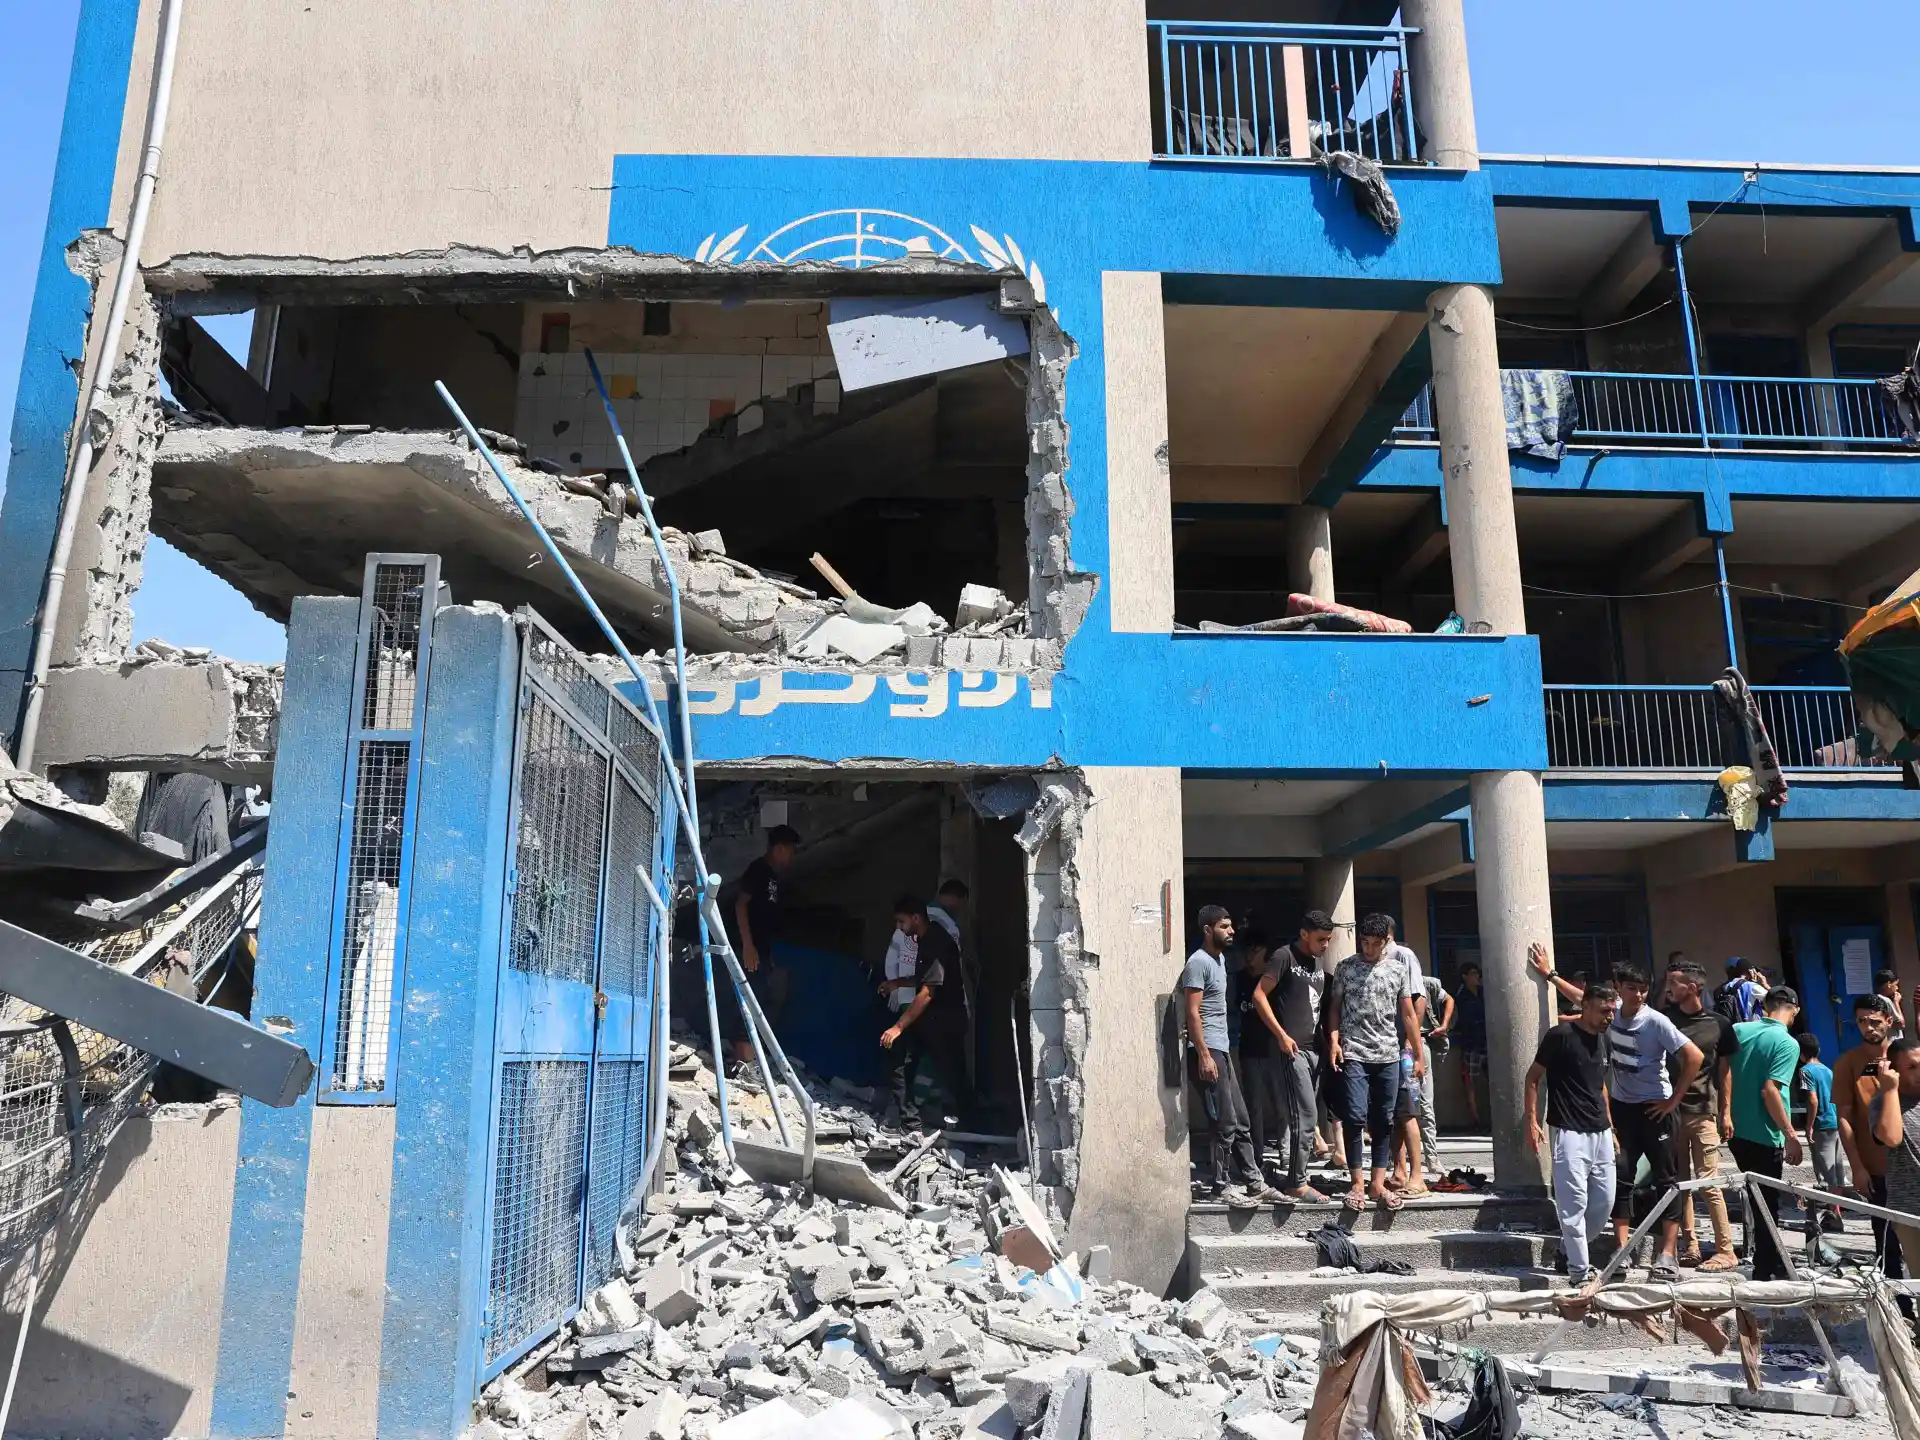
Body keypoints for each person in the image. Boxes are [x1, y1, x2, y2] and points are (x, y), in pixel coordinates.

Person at [1530, 949, 1702, 1280]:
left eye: (1644, 989)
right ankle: (1621, 1250)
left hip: (1656, 1108)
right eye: (1631, 988)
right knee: (1621, 1179)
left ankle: (1667, 1254)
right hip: (1621, 1109)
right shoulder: (1610, 1012)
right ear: (1617, 988)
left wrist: (1673, 1101)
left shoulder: (1656, 1021)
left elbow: (1694, 1056)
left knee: (1667, 1180)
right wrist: (1550, 975)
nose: (1638, 995)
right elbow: (1581, 998)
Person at [1183, 906, 1279, 1208]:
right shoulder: (1198, 962)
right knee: (1224, 1122)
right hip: (1207, 1050)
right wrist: (1203, 1055)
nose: (1232, 931)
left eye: (1231, 925)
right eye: (1224, 926)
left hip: (1221, 1048)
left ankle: (1254, 1183)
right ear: (1207, 930)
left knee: (1240, 1120)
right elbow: (1192, 1012)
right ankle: (1220, 1187)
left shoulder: (1220, 960)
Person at [1525, 982, 1619, 1289]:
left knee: (1604, 1203)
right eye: (1604, 1011)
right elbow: (1533, 1077)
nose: (1609, 1017)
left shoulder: (1605, 1039)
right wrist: (1532, 1121)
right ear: (1586, 1006)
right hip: (1568, 1131)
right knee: (1573, 1205)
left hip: (1601, 1131)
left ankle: (1566, 1251)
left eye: (1612, 1011)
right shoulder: (1560, 1036)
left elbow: (1600, 1085)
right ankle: (1579, 1273)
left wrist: (1611, 1127)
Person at [1328, 913, 1422, 1212]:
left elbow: (1408, 1014)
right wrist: (1334, 1041)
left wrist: (1418, 1055)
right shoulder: (1346, 967)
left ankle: (1377, 1183)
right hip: (1354, 1052)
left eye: (1375, 944)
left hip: (1388, 1055)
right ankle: (1357, 1183)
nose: (1368, 949)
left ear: (1386, 942)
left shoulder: (1397, 969)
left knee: (1384, 1120)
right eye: (1364, 942)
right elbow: (1334, 1007)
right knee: (1355, 1117)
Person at [1659, 959, 1742, 1271]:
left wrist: (1726, 1112)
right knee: (1680, 1183)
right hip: (1670, 1113)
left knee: (1709, 1182)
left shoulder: (1719, 1023)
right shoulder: (1663, 1020)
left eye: (1674, 983)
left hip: (1703, 1112)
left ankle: (1725, 1250)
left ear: (1692, 988)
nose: (1668, 988)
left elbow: (1725, 1072)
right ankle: (1690, 1245)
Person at [1246, 911, 1335, 1200]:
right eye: (1320, 939)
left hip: (1314, 1051)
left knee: (1310, 1117)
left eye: (1328, 940)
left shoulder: (1317, 963)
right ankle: (1296, 1182)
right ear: (1304, 934)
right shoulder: (1284, 957)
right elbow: (1259, 996)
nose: (1325, 945)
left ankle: (1299, 1176)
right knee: (1305, 1117)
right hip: (1290, 1050)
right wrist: (1281, 1035)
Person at [1727, 986, 1804, 1281]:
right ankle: (1765, 1267)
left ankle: (1772, 1262)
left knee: (1758, 1199)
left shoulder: (1738, 1030)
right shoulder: (1787, 1042)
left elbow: (1723, 1072)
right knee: (1767, 1204)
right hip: (1766, 1133)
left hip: (1737, 1130)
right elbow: (1771, 1090)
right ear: (1794, 1009)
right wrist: (1791, 1135)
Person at [880, 895, 973, 1133]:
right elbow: (925, 979)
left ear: (916, 918)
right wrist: (897, 983)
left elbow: (928, 992)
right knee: (902, 1062)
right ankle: (911, 1123)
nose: (899, 928)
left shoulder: (936, 942)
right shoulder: (925, 938)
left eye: (901, 922)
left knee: (951, 1075)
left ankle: (968, 1130)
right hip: (933, 1019)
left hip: (944, 1021)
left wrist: (898, 1027)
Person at [1835, 994, 1906, 1282]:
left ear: (1888, 1021)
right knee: (1887, 1243)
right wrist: (1857, 1166)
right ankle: (1897, 1302)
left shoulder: (1907, 1058)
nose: (1869, 1027)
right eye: (1862, 1021)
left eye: (1875, 1021)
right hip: (1877, 1168)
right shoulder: (1848, 1063)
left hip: (1912, 1165)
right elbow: (1844, 1117)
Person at [725, 824, 799, 1067]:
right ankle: (743, 1060)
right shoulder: (758, 870)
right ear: (779, 849)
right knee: (750, 997)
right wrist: (748, 945)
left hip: (763, 949)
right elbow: (741, 905)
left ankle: (747, 1058)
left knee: (760, 998)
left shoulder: (773, 877)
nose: (792, 856)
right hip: (751, 949)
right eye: (791, 850)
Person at [1869, 1036, 1920, 1275]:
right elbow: (1891, 1137)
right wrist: (1890, 1090)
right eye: (1912, 1067)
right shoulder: (1883, 1102)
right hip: (1911, 1207)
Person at [1798, 1032, 1843, 1239]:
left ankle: (1834, 1216)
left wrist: (1809, 1126)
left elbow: (1813, 1100)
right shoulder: (1827, 1070)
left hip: (1822, 1124)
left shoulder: (1805, 1071)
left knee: (1825, 1173)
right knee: (1836, 1171)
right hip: (1835, 1122)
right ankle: (1836, 1213)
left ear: (1800, 1053)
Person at [1454, 961, 1489, 1129]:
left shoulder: (1484, 993)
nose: (1477, 977)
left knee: (1491, 1080)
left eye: (1478, 973)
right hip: (1470, 1044)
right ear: (1465, 976)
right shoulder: (1462, 997)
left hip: (1486, 1043)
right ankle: (1475, 1120)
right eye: (1473, 973)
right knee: (1470, 1082)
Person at [1713, 958, 1765, 1025]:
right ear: (1748, 971)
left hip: (1729, 1028)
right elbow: (1776, 999)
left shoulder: (1719, 989)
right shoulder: (1751, 986)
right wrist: (1765, 984)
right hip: (1751, 1028)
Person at [1871, 969, 1907, 1041]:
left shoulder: (1874, 1000)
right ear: (1889, 984)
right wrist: (1896, 1002)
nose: (1897, 988)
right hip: (1893, 1041)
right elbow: (1901, 1024)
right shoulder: (1886, 1001)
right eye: (1895, 985)